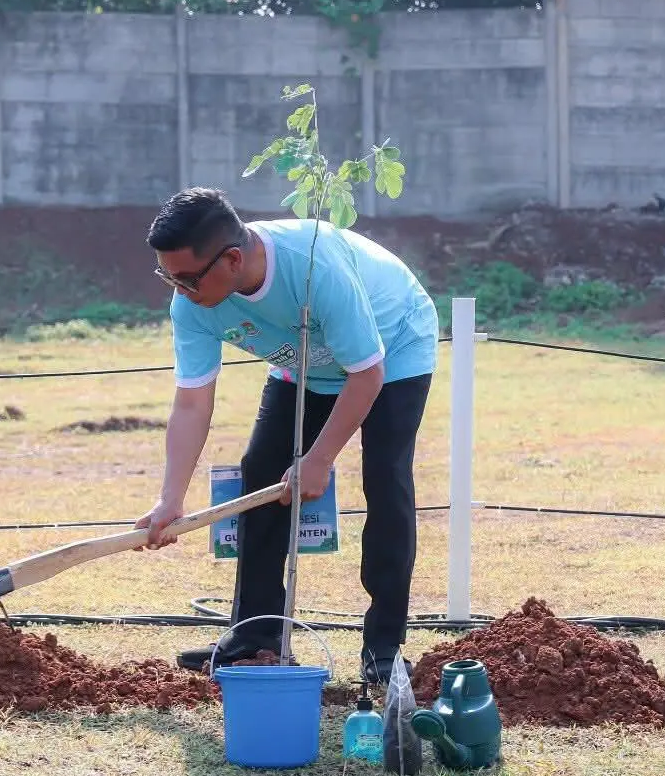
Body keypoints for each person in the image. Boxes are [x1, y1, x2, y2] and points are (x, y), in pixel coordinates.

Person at [135, 186, 439, 684]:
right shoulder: (191, 302)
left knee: (386, 480)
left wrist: (319, 458)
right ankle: (257, 635)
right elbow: (192, 400)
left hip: (393, 348)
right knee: (261, 475)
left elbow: (367, 374)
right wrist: (170, 497)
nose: (179, 290)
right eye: (167, 276)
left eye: (187, 278)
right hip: (303, 361)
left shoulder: (314, 270)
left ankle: (383, 647)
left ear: (232, 259)